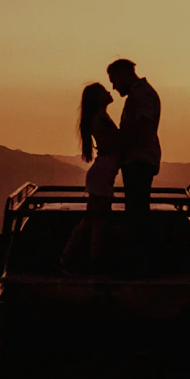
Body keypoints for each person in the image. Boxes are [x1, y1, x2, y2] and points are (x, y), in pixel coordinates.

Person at [60, 82, 121, 272]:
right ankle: (94, 262)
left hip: (101, 173)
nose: (109, 92)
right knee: (99, 222)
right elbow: (113, 143)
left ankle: (68, 258)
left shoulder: (98, 118)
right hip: (103, 174)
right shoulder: (101, 118)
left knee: (91, 220)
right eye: (103, 91)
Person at [107, 58, 161, 216]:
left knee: (137, 212)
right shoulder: (140, 95)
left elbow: (143, 128)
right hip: (138, 160)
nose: (114, 87)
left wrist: (119, 142)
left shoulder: (142, 95)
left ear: (123, 75)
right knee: (136, 209)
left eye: (114, 80)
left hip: (139, 161)